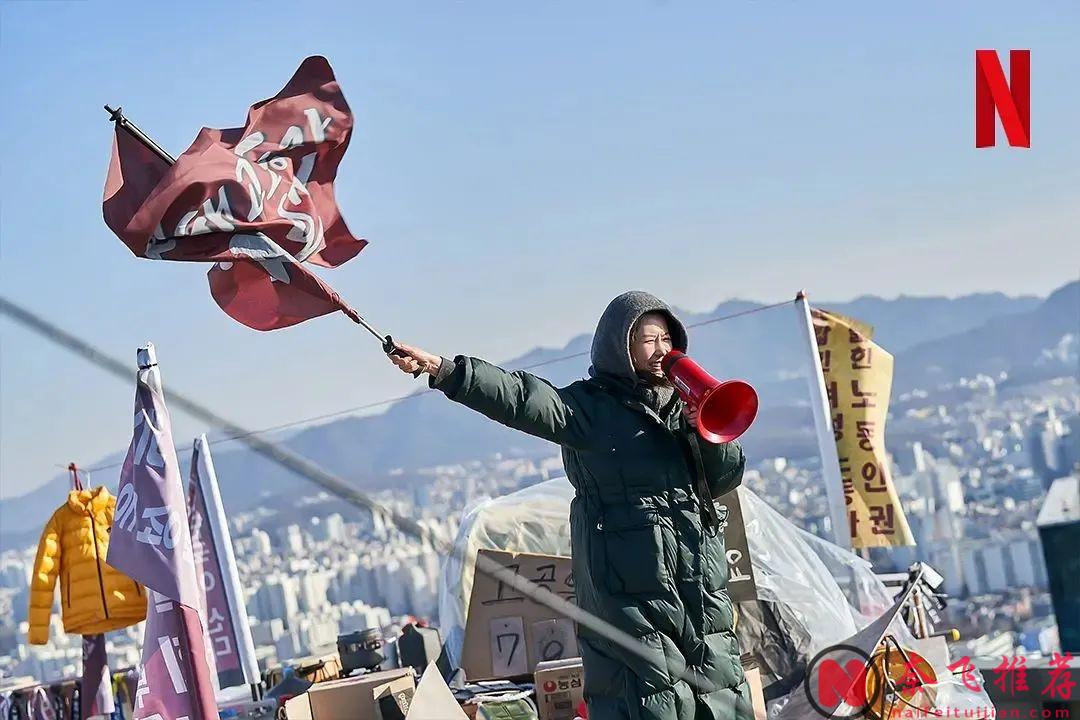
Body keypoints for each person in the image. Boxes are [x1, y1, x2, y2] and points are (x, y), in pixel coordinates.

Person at [389, 291, 752, 720]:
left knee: (721, 695)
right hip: (630, 591)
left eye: (668, 339)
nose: (662, 352)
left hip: (698, 586)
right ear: (621, 346)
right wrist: (447, 371)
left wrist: (703, 433)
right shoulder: (590, 409)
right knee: (650, 700)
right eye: (649, 340)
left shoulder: (684, 406)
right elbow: (522, 399)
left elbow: (725, 478)